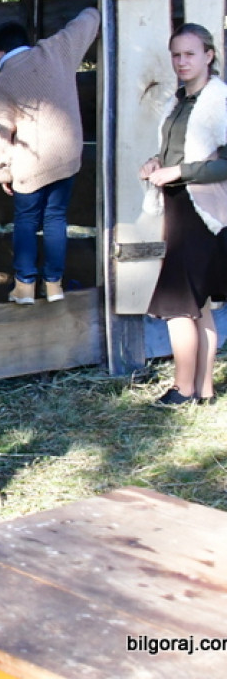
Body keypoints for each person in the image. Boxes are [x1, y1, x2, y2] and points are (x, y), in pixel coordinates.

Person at [0, 7, 101, 305]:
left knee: (25, 220)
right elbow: (87, 22)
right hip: (66, 158)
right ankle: (54, 285)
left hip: (29, 166)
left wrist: (2, 171)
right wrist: (91, 10)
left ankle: (24, 287)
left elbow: (0, 131)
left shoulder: (2, 82)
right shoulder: (57, 50)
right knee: (56, 218)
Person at [139, 23, 227, 406]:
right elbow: (179, 152)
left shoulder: (218, 98)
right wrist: (157, 162)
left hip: (201, 212)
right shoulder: (180, 100)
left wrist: (180, 171)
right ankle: (204, 391)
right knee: (198, 305)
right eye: (176, 54)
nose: (181, 61)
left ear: (209, 55)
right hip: (178, 207)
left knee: (178, 305)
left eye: (190, 54)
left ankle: (183, 388)